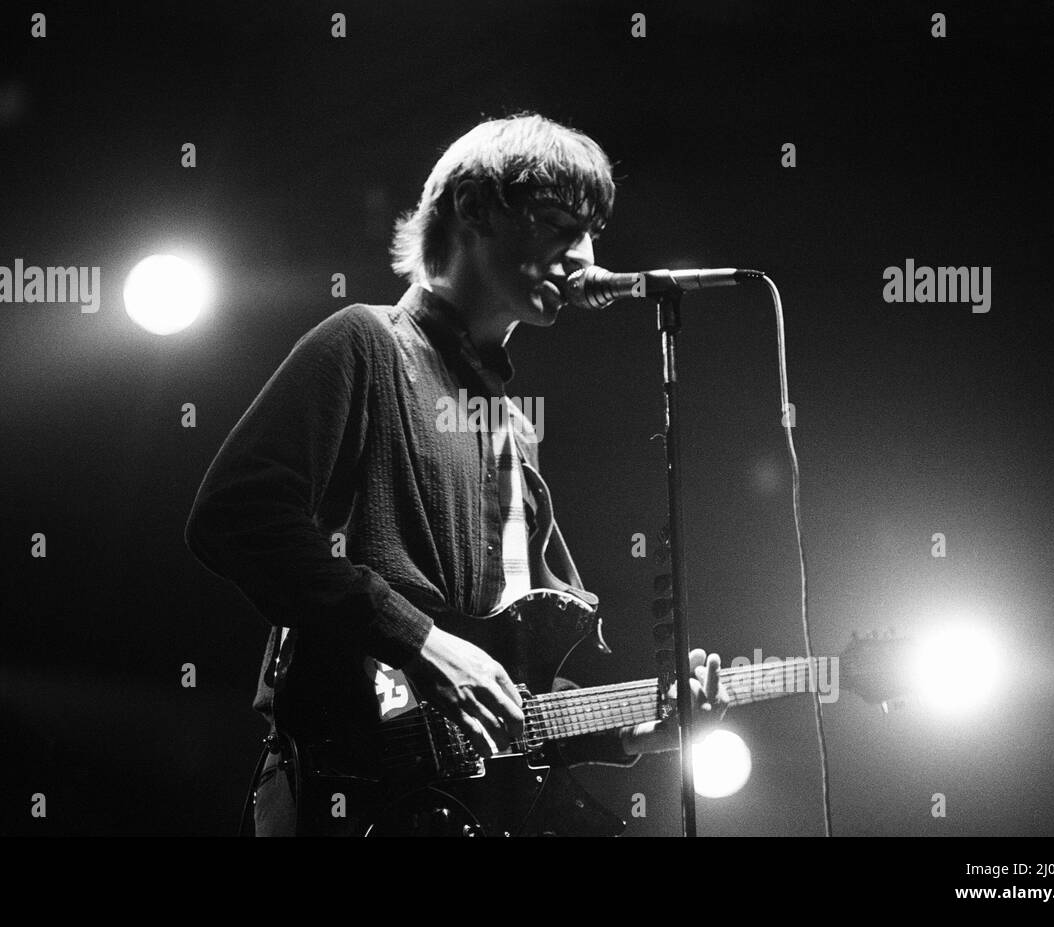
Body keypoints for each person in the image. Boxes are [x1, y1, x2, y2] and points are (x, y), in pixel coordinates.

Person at [185, 113, 728, 836]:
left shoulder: (515, 431)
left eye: (592, 231)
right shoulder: (366, 342)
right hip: (357, 797)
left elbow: (518, 688)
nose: (585, 255)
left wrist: (637, 729)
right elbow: (234, 512)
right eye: (560, 223)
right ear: (473, 209)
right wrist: (419, 639)